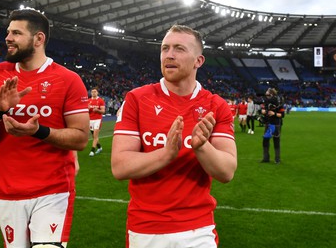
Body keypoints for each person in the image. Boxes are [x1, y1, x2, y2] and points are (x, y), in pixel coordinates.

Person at [0, 9, 89, 248]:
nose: (8, 38)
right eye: (8, 32)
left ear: (38, 39)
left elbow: (81, 138)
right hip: (8, 191)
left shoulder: (68, 79)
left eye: (16, 33)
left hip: (54, 190)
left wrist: (39, 131)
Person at [111, 25, 237, 248]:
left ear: (199, 61)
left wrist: (201, 147)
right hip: (145, 228)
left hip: (198, 229)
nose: (169, 55)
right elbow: (120, 167)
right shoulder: (137, 99)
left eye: (179, 49)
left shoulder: (215, 106)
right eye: (165, 48)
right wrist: (167, 153)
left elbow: (226, 171)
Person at [260, 88, 285, 164]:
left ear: (271, 94)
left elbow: (282, 115)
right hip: (268, 123)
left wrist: (274, 113)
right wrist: (263, 111)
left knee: (276, 141)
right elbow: (263, 111)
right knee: (265, 141)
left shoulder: (278, 103)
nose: (265, 94)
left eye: (267, 92)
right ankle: (266, 158)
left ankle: (277, 159)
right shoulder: (266, 102)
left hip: (276, 124)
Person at [88, 87, 105, 157]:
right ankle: (100, 147)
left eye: (95, 92)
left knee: (95, 136)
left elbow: (103, 111)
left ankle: (92, 151)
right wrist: (88, 109)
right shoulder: (88, 101)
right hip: (90, 120)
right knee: (94, 136)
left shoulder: (100, 101)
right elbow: (86, 111)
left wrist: (97, 110)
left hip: (97, 120)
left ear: (97, 93)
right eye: (92, 92)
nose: (93, 93)